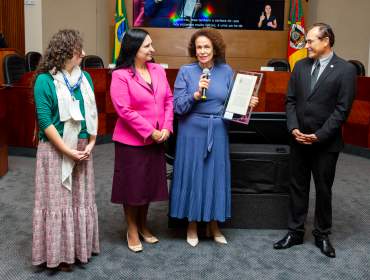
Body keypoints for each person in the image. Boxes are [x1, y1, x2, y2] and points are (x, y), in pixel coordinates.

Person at [273, 23, 356, 258]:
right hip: (298, 139)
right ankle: (295, 232)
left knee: (323, 189)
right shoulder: (299, 66)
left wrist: (319, 135)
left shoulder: (345, 70)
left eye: (310, 41)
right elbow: (290, 101)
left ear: (326, 40)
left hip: (325, 143)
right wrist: (294, 128)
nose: (305, 45)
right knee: (298, 187)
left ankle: (322, 234)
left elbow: (342, 109)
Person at [169, 28, 258, 247]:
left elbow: (231, 106)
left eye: (206, 46)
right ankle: (191, 225)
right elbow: (177, 107)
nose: (202, 51)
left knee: (214, 177)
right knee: (193, 176)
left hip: (217, 130)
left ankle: (214, 225)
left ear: (215, 48)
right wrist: (196, 94)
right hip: (191, 131)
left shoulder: (226, 71)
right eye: (199, 47)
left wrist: (246, 105)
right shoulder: (186, 72)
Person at [32, 29, 99, 270]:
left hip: (82, 147)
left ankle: (79, 249)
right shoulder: (44, 81)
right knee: (58, 202)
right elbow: (45, 121)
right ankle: (58, 255)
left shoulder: (86, 78)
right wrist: (67, 151)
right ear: (63, 53)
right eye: (77, 50)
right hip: (55, 149)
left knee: (79, 199)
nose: (83, 53)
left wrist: (91, 143)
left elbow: (92, 115)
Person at [110, 28, 174, 253]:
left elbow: (168, 100)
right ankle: (132, 228)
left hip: (157, 139)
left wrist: (166, 127)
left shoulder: (157, 69)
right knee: (132, 187)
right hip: (132, 142)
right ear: (133, 48)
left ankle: (144, 225)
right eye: (147, 46)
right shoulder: (120, 75)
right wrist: (150, 131)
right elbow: (124, 110)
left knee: (147, 185)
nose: (152, 49)